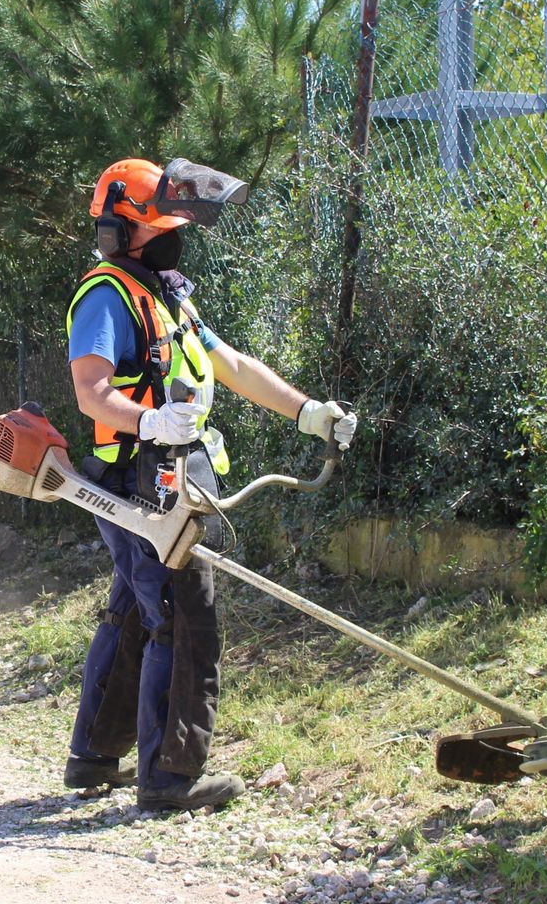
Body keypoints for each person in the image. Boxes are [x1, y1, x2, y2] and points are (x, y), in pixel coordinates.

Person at [63, 158, 358, 811]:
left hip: (169, 471)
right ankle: (170, 777)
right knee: (181, 615)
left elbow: (234, 366)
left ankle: (94, 756)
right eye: (161, 225)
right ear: (123, 231)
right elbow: (91, 392)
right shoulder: (107, 295)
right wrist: (151, 420)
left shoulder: (166, 296)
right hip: (141, 475)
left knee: (135, 614)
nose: (174, 235)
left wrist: (310, 413)